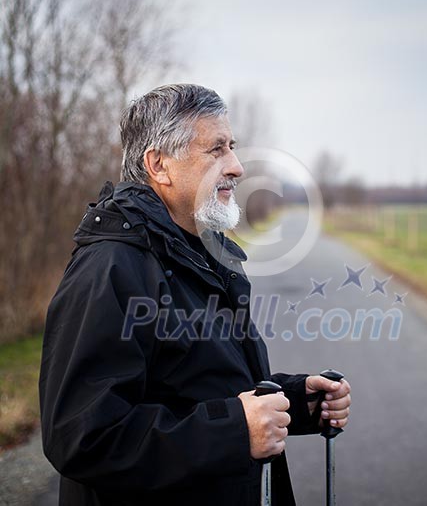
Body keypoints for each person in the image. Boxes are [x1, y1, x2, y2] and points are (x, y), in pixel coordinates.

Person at [39, 83, 351, 506]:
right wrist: (235, 430)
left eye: (233, 147)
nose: (237, 166)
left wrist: (294, 401)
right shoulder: (110, 268)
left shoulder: (202, 253)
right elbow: (83, 437)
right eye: (216, 150)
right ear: (159, 165)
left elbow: (201, 387)